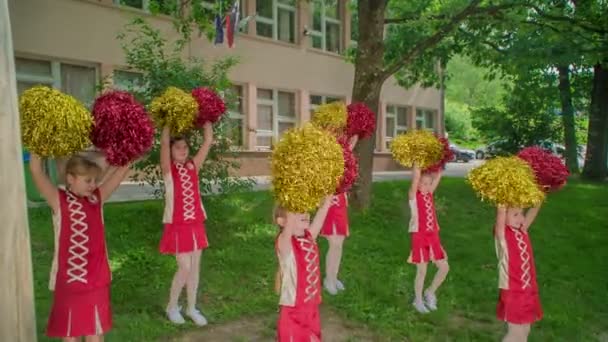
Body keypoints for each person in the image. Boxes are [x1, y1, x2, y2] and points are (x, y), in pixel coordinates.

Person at [30, 153, 131, 341]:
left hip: (96, 279)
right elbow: (36, 171)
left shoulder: (97, 199)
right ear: (70, 179)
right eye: (88, 180)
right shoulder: (58, 200)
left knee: (95, 331)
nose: (93, 185)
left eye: (94, 180)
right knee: (70, 333)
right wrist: (38, 144)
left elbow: (121, 172)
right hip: (69, 282)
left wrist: (130, 152)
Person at [159, 123, 214, 326]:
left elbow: (208, 142)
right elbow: (164, 142)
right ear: (171, 151)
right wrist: (167, 121)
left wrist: (206, 121)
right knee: (184, 266)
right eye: (177, 148)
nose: (182, 151)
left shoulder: (193, 166)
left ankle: (191, 307)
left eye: (185, 147)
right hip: (177, 225)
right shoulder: (168, 170)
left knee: (195, 269)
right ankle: (172, 306)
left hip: (196, 223)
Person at [275, 196, 333, 341]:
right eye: (297, 211)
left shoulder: (309, 238)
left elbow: (320, 217)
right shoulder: (285, 243)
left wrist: (327, 199)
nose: (305, 213)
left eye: (306, 210)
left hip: (312, 309)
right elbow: (287, 230)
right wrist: (292, 194)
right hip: (293, 312)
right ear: (282, 221)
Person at [494, 205, 543, 342]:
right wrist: (502, 204)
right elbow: (501, 211)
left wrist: (541, 193)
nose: (521, 218)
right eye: (515, 215)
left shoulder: (522, 230)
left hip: (528, 291)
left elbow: (534, 208)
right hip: (513, 292)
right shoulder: (503, 234)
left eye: (521, 213)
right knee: (515, 334)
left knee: (525, 331)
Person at [407, 165, 449, 313]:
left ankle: (430, 292)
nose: (424, 186)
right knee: (422, 271)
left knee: (444, 267)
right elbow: (415, 180)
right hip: (419, 236)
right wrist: (417, 167)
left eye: (427, 183)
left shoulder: (429, 194)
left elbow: (437, 176)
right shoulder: (413, 197)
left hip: (433, 237)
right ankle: (417, 300)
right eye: (421, 183)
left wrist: (440, 164)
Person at [321, 135, 358, 295]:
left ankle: (334, 276)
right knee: (334, 243)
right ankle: (328, 279)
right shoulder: (325, 163)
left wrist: (355, 132)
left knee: (339, 244)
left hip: (341, 204)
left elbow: (350, 145)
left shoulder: (344, 159)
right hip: (330, 205)